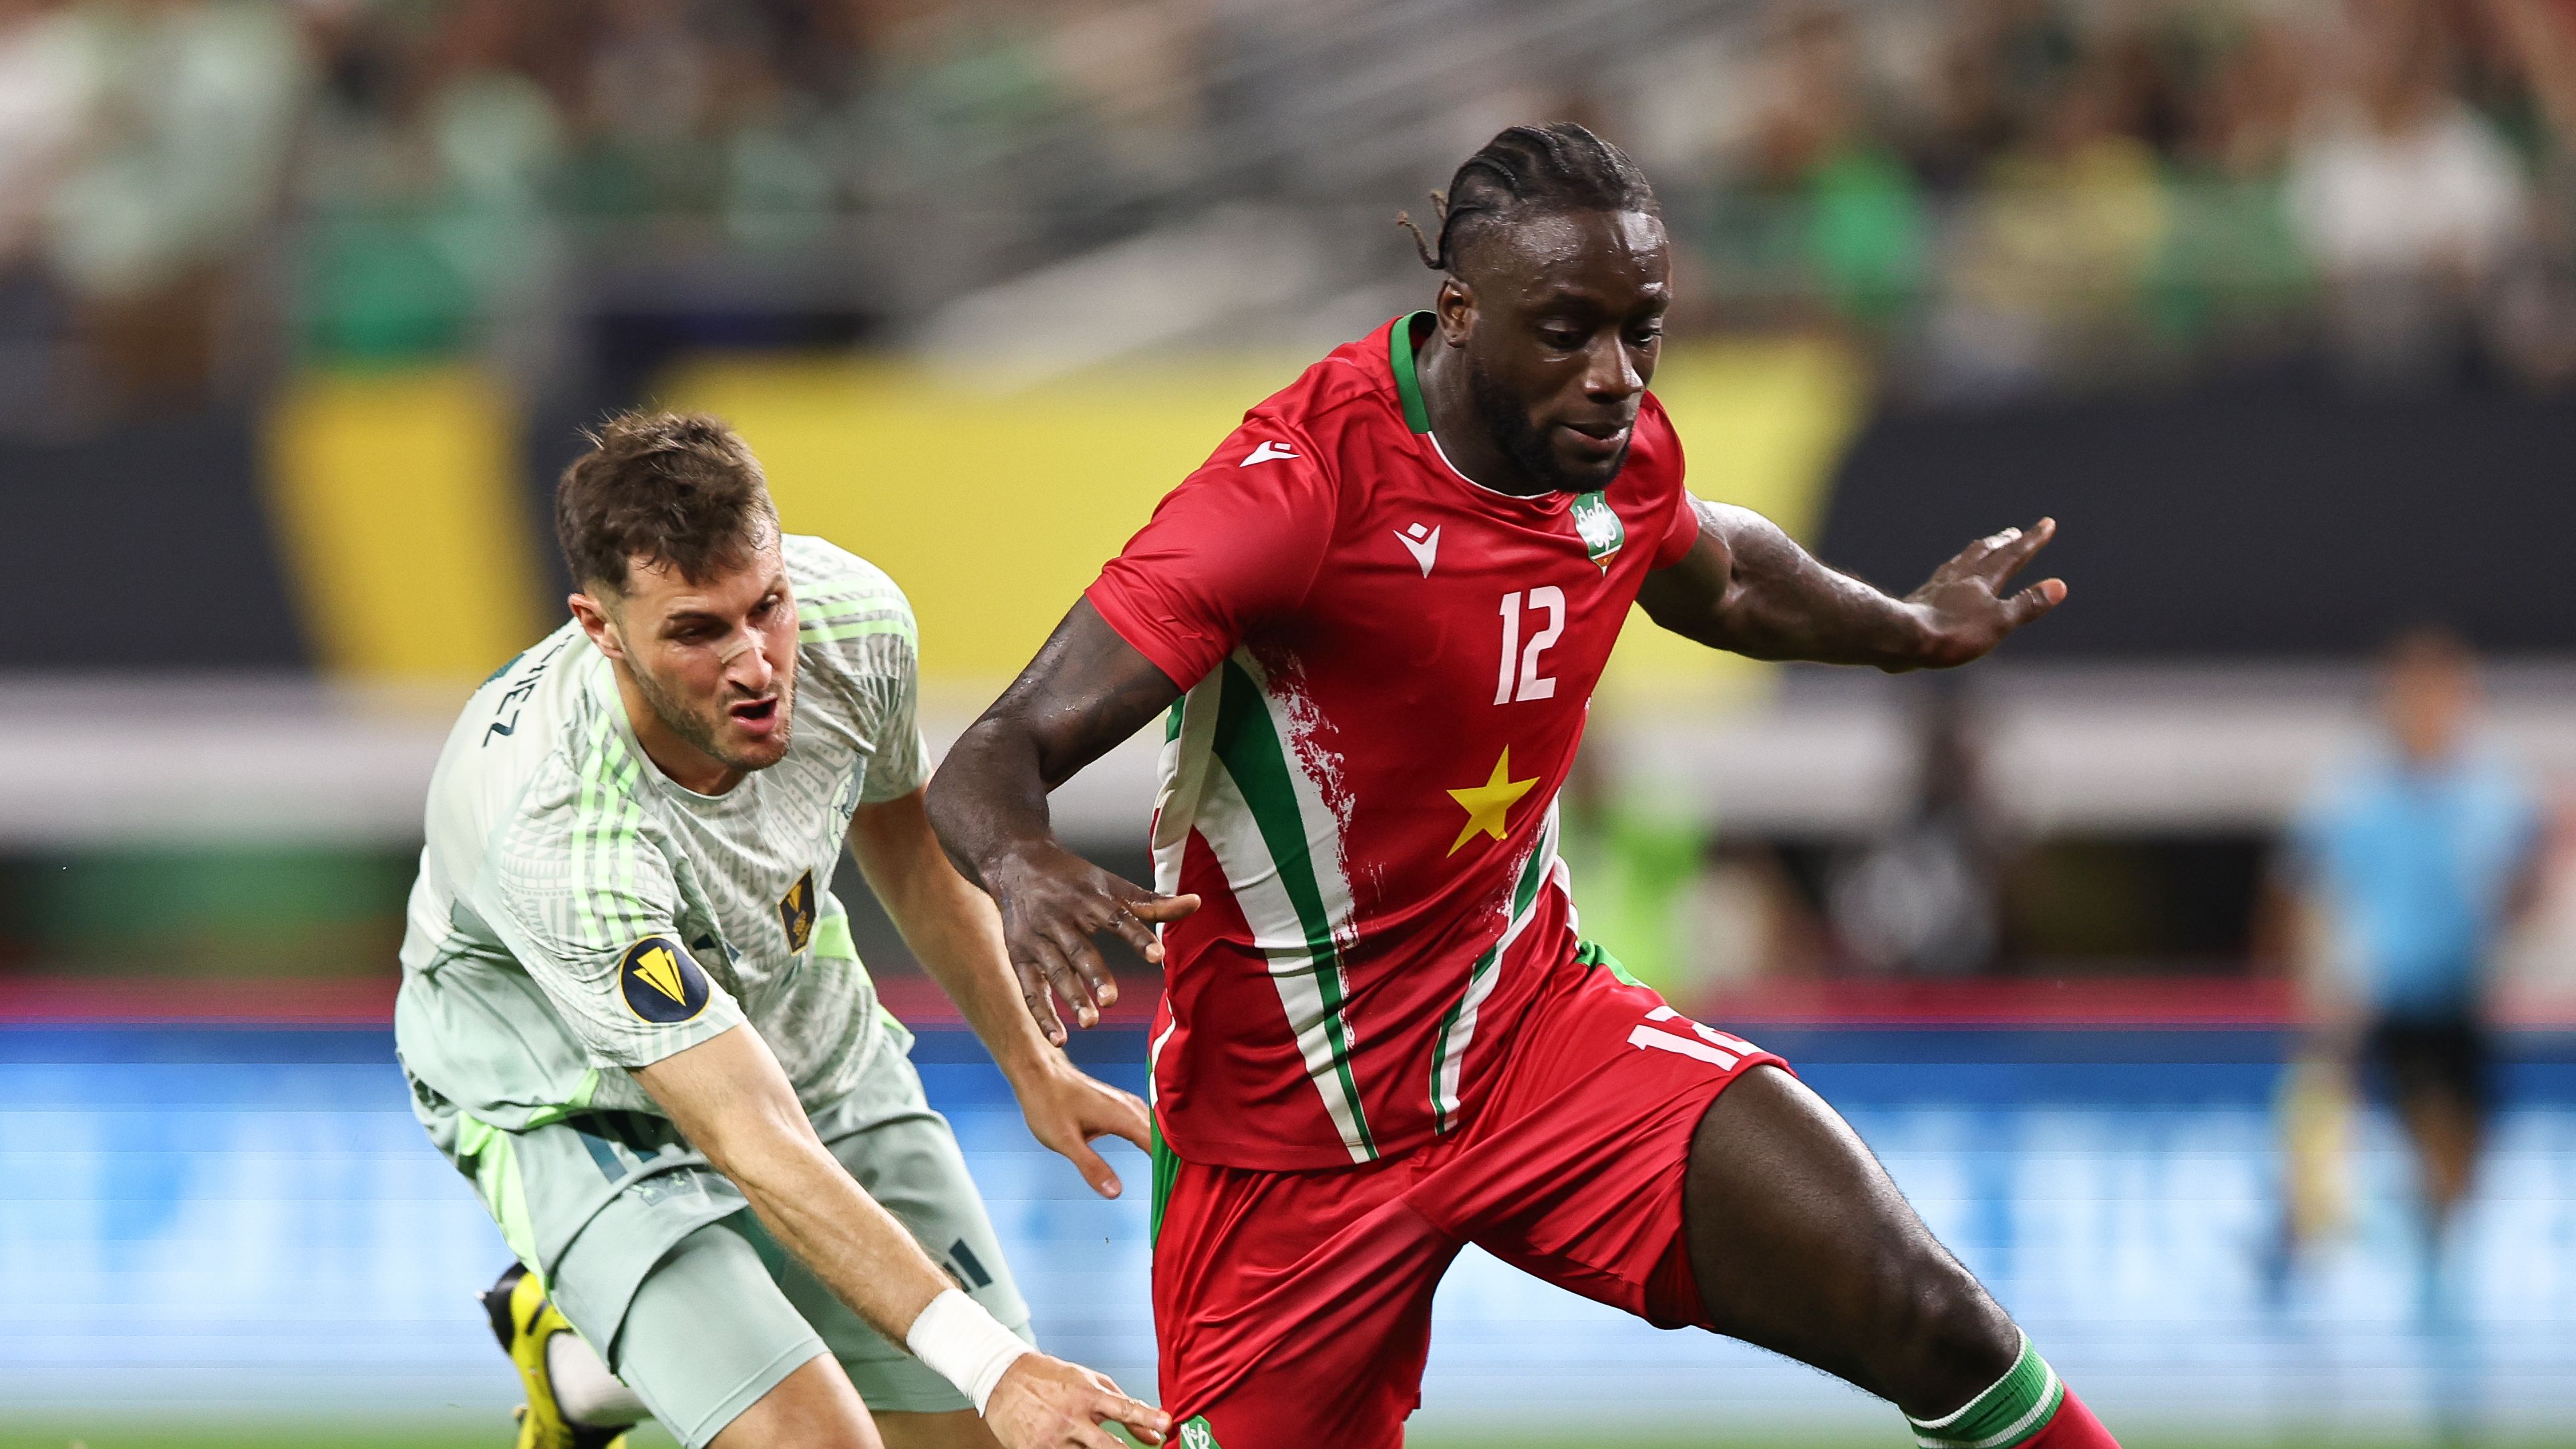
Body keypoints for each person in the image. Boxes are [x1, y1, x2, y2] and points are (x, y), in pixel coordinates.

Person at [925, 124, 2118, 1449]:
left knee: (1927, 1310)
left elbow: (1714, 566)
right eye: (1566, 332)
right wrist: (1024, 863)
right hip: (1286, 1139)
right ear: (1457, 312)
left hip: (1530, 1037)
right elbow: (990, 755)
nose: (1614, 378)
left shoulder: (1603, 450)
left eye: (1641, 331)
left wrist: (1894, 625)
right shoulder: (1295, 493)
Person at [395, 412, 1170, 1449]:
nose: (757, 664)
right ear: (598, 626)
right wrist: (1000, 1364)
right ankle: (616, 1331)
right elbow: (746, 1134)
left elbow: (906, 842)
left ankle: (588, 1367)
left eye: (767, 606)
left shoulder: (855, 624)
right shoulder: (552, 823)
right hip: (576, 1107)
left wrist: (1032, 1065)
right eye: (697, 631)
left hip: (808, 1040)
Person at [2281, 629, 2543, 1258]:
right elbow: (2303, 891)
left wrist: (2513, 902)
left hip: (2465, 999)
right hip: (2388, 1001)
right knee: (2413, 1136)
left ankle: (2425, 1254)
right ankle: (2356, 1245)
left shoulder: (2494, 791)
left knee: (2464, 1165)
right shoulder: (2356, 795)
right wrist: (2310, 987)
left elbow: (2521, 887)